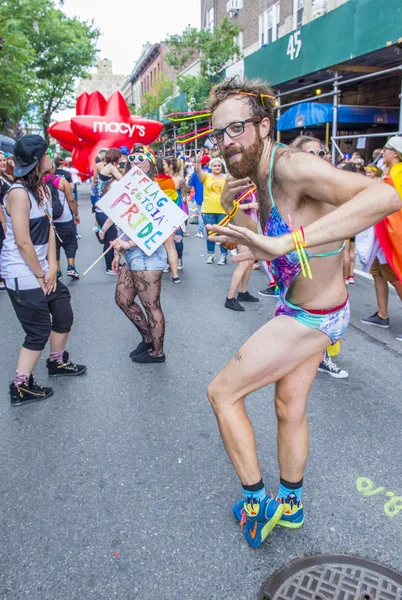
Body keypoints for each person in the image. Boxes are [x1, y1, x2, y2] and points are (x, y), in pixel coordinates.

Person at [204, 77, 399, 548]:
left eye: (236, 130)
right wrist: (241, 219)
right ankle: (290, 505)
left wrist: (280, 241)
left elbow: (386, 197)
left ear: (263, 126)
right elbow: (276, 251)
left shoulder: (293, 167)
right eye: (218, 134)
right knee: (289, 407)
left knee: (222, 394)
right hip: (307, 308)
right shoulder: (260, 174)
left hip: (310, 318)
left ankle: (257, 503)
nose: (226, 144)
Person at [0, 135, 86, 406]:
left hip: (42, 269)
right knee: (38, 331)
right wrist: (40, 275)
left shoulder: (43, 190)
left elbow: (49, 229)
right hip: (22, 273)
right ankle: (21, 385)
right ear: (38, 161)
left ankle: (57, 362)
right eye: (47, 155)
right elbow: (23, 241)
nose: (51, 158)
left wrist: (53, 267)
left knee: (63, 312)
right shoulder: (18, 193)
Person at [289, 134, 348, 379]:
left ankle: (321, 356)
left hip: (330, 264)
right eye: (310, 154)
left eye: (321, 153)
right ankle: (308, 357)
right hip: (302, 263)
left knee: (328, 313)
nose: (318, 159)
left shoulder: (331, 185)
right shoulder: (293, 188)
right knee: (306, 314)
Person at [110, 144, 167, 364]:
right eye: (131, 159)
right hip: (131, 254)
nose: (134, 162)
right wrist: (118, 252)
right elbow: (125, 224)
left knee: (152, 306)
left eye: (140, 159)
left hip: (149, 256)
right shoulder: (128, 187)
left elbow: (161, 226)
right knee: (122, 299)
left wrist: (128, 244)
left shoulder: (154, 189)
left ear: (150, 164)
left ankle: (158, 352)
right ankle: (147, 338)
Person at [360, 136, 402, 341]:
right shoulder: (390, 173)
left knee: (397, 278)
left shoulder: (398, 174)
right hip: (381, 237)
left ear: (395, 153)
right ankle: (382, 314)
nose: (382, 152)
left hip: (392, 236)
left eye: (386, 149)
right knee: (378, 273)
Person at [225, 186, 260, 311]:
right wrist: (251, 205)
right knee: (244, 263)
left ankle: (243, 292)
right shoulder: (237, 185)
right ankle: (230, 298)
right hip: (241, 227)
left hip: (252, 227)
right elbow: (229, 206)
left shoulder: (254, 185)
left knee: (250, 261)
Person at [44, 166, 80, 280]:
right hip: (65, 218)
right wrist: (76, 214)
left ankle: (57, 271)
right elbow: (71, 199)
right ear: (52, 169)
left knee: (54, 245)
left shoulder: (39, 182)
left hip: (48, 219)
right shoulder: (61, 181)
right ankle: (71, 266)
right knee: (70, 242)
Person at [195, 154, 229, 265]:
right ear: (211, 167)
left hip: (223, 211)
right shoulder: (206, 176)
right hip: (208, 210)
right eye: (215, 165)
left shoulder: (227, 177)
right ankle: (210, 255)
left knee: (223, 235)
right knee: (211, 234)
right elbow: (198, 171)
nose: (217, 167)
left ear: (222, 167)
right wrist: (197, 162)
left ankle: (223, 256)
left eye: (219, 165)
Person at [94, 148, 122, 274]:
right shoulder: (111, 167)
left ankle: (112, 263)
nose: (121, 159)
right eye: (120, 157)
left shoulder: (107, 167)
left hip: (101, 206)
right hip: (104, 208)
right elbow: (123, 179)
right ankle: (109, 267)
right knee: (110, 239)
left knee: (111, 236)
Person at [154, 159, 181, 283]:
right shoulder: (170, 181)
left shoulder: (152, 182)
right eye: (165, 164)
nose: (168, 166)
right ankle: (175, 275)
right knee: (170, 247)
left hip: (155, 217)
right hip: (169, 216)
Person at [190, 155, 210, 238]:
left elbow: (192, 185)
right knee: (211, 215)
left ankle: (200, 232)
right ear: (207, 162)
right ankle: (213, 233)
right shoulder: (212, 172)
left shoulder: (196, 173)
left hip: (199, 197)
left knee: (201, 215)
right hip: (210, 197)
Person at [0, 151, 12, 292]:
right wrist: (3, 223)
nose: (3, 162)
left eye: (4, 160)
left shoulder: (5, 177)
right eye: (0, 160)